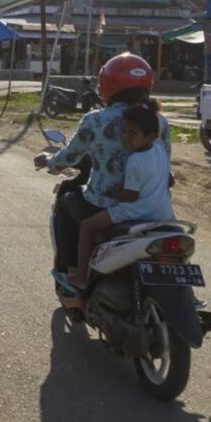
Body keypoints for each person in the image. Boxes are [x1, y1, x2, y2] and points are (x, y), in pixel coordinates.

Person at [36, 53, 171, 297]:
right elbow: (165, 162)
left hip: (103, 204)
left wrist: (51, 163)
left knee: (66, 204)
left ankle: (75, 275)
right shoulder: (159, 121)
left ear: (106, 85)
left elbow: (71, 155)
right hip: (154, 205)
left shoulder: (95, 120)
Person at [70, 102, 175, 288]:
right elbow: (169, 181)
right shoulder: (159, 151)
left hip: (135, 212)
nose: (125, 138)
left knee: (87, 226)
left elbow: (132, 197)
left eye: (132, 133)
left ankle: (80, 277)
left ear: (150, 136)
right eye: (124, 131)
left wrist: (116, 192)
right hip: (163, 213)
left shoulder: (135, 160)